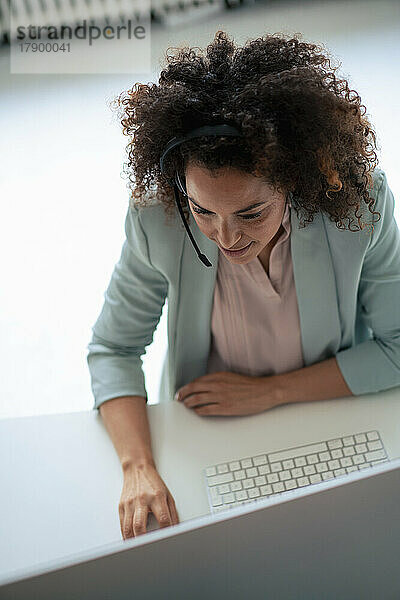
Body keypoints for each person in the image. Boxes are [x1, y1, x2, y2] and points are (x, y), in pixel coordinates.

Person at [86, 31, 400, 540]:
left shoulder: (361, 206)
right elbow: (113, 348)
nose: (225, 237)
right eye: (202, 210)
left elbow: (398, 346)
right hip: (208, 428)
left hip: (326, 416)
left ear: (294, 180)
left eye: (251, 212)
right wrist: (136, 467)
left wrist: (271, 392)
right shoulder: (155, 219)